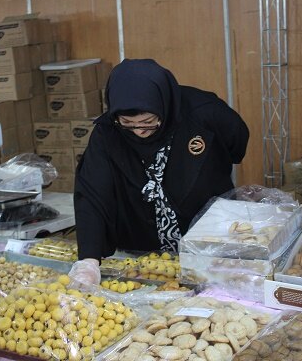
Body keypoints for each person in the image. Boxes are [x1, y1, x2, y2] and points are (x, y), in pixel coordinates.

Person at [69, 59, 249, 285]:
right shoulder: (108, 133)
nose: (139, 131)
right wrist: (89, 259)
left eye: (148, 122)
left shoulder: (205, 112)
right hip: (143, 254)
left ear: (164, 106)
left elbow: (237, 143)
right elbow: (92, 193)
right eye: (128, 123)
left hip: (208, 241)